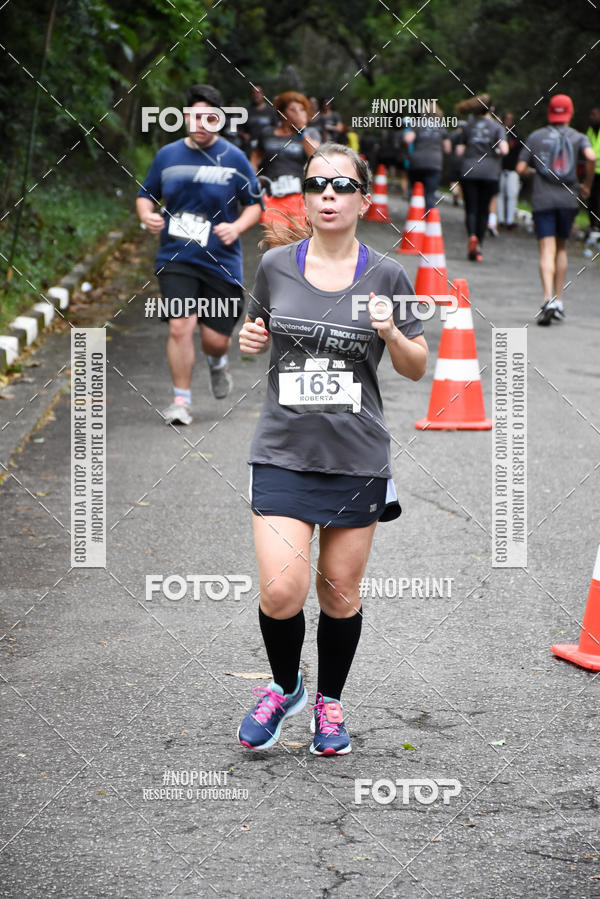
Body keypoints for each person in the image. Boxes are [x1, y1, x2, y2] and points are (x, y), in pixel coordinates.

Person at [236, 143, 428, 755]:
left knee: (339, 593)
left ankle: (329, 704)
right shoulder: (274, 265)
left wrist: (392, 331)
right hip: (282, 448)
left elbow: (417, 366)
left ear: (364, 200)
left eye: (342, 187)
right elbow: (257, 327)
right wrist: (249, 337)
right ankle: (286, 684)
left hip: (355, 457)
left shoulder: (389, 274)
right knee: (281, 590)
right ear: (307, 194)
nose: (328, 195)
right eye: (317, 184)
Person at [136, 83, 263, 424]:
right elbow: (146, 194)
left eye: (209, 118)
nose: (201, 124)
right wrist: (146, 215)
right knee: (180, 326)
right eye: (194, 117)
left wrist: (236, 228)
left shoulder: (234, 158)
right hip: (176, 257)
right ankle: (181, 401)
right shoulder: (168, 155)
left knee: (214, 340)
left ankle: (217, 362)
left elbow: (255, 206)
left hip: (221, 260)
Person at [516, 93, 595, 325]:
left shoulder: (536, 136)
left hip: (543, 200)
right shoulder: (578, 137)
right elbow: (591, 157)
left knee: (546, 249)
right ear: (570, 113)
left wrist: (534, 172)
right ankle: (559, 300)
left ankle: (547, 298)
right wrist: (587, 186)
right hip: (568, 200)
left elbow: (520, 168)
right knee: (561, 248)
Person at [250, 91, 320, 229]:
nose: (297, 113)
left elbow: (316, 156)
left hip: (300, 197)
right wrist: (254, 177)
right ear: (282, 112)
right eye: (292, 109)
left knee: (299, 243)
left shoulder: (310, 134)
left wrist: (301, 131)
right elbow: (256, 156)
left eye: (301, 109)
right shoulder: (267, 133)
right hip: (272, 195)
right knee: (277, 243)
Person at [455, 94, 508, 261]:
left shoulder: (469, 126)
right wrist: (497, 152)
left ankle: (471, 236)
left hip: (469, 170)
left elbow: (459, 151)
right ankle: (478, 247)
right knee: (484, 210)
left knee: (471, 208)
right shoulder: (497, 127)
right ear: (491, 109)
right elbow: (504, 150)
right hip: (490, 172)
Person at [403, 104, 451, 210]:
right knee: (430, 194)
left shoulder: (417, 124)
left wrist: (409, 150)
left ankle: (414, 216)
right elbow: (447, 148)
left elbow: (407, 139)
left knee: (416, 191)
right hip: (434, 163)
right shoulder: (441, 127)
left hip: (417, 162)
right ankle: (427, 219)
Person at [497, 112, 521, 230]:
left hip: (512, 170)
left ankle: (509, 220)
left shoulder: (516, 136)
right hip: (500, 169)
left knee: (512, 195)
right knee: (500, 195)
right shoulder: (499, 133)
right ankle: (501, 219)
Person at [239, 84, 276, 158]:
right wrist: (243, 135)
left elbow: (276, 129)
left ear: (262, 94)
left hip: (267, 147)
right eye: (254, 93)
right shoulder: (245, 111)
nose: (256, 95)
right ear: (251, 95)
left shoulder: (271, 111)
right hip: (249, 148)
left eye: (258, 92)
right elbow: (237, 130)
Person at [585, 106, 600, 234]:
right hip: (592, 172)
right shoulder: (590, 130)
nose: (591, 117)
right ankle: (592, 225)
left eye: (594, 114)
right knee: (591, 199)